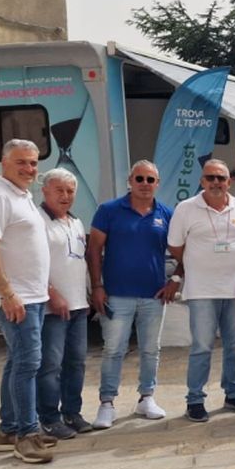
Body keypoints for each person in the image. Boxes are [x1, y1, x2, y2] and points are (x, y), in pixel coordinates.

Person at [0, 139, 56, 463]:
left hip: (31, 296)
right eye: (21, 162)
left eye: (33, 163)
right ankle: (26, 436)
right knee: (28, 364)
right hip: (15, 297)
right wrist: (7, 293)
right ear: (4, 163)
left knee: (17, 361)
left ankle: (8, 430)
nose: (29, 168)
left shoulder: (22, 196)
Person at [88, 160, 176, 429]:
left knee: (150, 350)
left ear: (157, 183)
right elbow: (93, 250)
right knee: (114, 350)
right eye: (140, 178)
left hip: (153, 295)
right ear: (130, 180)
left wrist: (175, 280)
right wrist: (97, 286)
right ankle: (107, 403)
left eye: (150, 179)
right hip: (116, 295)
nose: (145, 184)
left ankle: (146, 398)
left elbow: (183, 249)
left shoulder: (166, 213)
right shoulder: (108, 210)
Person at [168, 159, 235, 422]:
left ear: (229, 182)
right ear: (201, 181)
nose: (216, 182)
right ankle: (195, 399)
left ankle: (233, 393)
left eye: (221, 178)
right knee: (202, 347)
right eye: (210, 177)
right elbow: (175, 246)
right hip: (202, 290)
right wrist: (195, 263)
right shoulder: (186, 208)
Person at [37, 168, 90, 440]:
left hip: (78, 305)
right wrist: (51, 293)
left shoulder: (76, 221)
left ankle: (72, 413)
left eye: (70, 191)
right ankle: (49, 418)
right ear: (45, 191)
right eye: (59, 190)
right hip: (52, 308)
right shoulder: (38, 221)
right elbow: (32, 264)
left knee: (76, 363)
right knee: (51, 366)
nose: (65, 196)